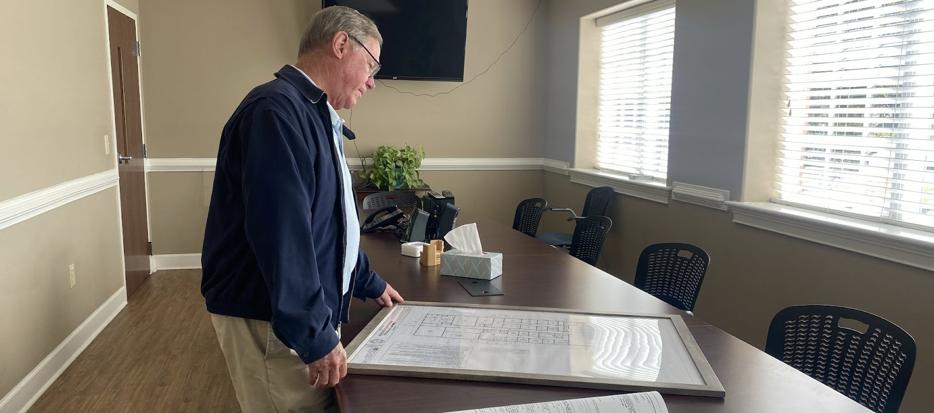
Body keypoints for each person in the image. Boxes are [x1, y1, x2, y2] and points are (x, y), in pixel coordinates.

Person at [200, 6, 404, 412]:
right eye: (371, 65)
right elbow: (283, 235)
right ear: (341, 44)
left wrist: (367, 280)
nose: (372, 81)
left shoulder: (311, 112)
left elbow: (329, 223)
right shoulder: (275, 112)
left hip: (288, 316)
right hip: (269, 320)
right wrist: (314, 334)